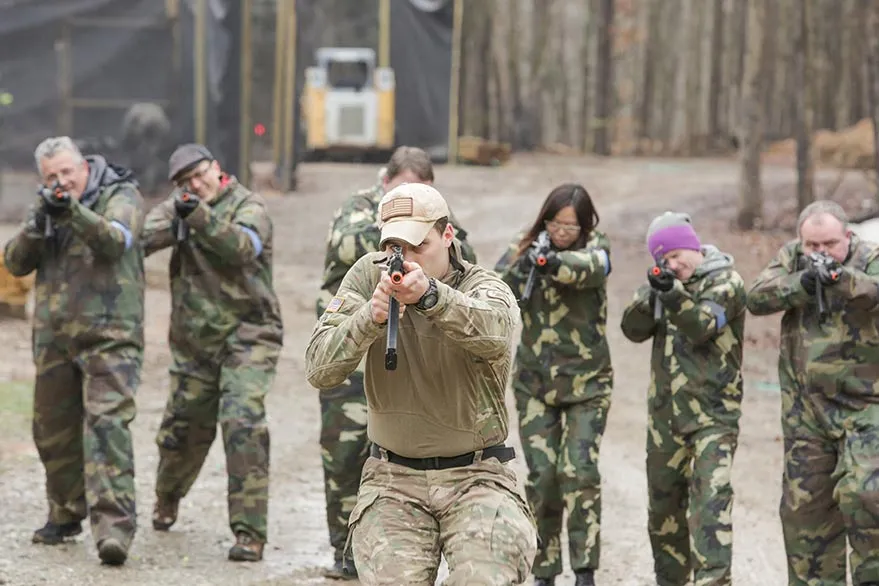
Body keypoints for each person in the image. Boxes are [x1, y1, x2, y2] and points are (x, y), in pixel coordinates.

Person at [305, 182, 537, 585]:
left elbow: (496, 334)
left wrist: (432, 297)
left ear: (448, 236)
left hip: (476, 476)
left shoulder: (482, 286)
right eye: (395, 247)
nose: (405, 259)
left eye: (418, 246)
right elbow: (319, 369)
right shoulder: (367, 276)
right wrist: (370, 318)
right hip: (393, 480)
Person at [315, 146, 477, 579]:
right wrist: (394, 229)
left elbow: (468, 269)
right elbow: (346, 244)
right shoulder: (358, 209)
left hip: (414, 344)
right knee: (343, 445)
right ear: (385, 182)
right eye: (403, 189)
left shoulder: (442, 223)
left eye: (421, 193)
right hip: (356, 331)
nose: (411, 201)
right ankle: (342, 547)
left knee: (402, 447)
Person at [3, 136, 145, 565]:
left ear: (85, 166)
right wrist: (38, 220)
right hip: (54, 339)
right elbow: (14, 262)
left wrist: (72, 212)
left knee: (107, 428)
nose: (61, 181)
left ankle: (114, 531)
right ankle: (64, 515)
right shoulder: (47, 205)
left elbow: (114, 240)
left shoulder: (123, 194)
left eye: (67, 172)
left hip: (111, 336)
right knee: (52, 430)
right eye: (51, 176)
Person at [141, 143, 283, 562]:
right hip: (194, 342)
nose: (196, 185)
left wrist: (197, 217)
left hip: (250, 335)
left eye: (200, 175)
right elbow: (142, 238)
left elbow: (243, 247)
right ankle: (167, 497)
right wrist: (176, 219)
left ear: (216, 168)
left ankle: (249, 532)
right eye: (186, 183)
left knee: (243, 423)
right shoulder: (180, 207)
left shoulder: (248, 204)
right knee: (182, 430)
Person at [746, 200, 879, 586]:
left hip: (866, 404)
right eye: (813, 246)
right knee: (805, 512)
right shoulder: (792, 258)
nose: (821, 253)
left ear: (848, 236)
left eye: (830, 244)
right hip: (808, 409)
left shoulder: (869, 256)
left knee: (867, 495)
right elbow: (756, 297)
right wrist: (799, 285)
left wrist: (840, 278)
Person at [493, 184, 612, 586]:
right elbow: (493, 287)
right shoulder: (527, 246)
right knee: (542, 476)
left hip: (588, 384)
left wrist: (550, 262)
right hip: (534, 383)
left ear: (585, 224)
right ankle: (544, 569)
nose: (562, 232)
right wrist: (526, 260)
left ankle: (585, 569)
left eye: (570, 226)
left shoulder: (597, 248)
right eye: (555, 223)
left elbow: (589, 270)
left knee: (579, 473)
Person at [620, 212, 746, 586]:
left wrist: (672, 294)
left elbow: (701, 326)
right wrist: (651, 295)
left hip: (713, 416)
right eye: (664, 260)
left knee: (711, 507)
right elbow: (631, 330)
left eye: (676, 256)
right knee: (663, 514)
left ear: (692, 246)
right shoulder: (665, 287)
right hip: (665, 420)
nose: (673, 265)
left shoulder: (727, 282)